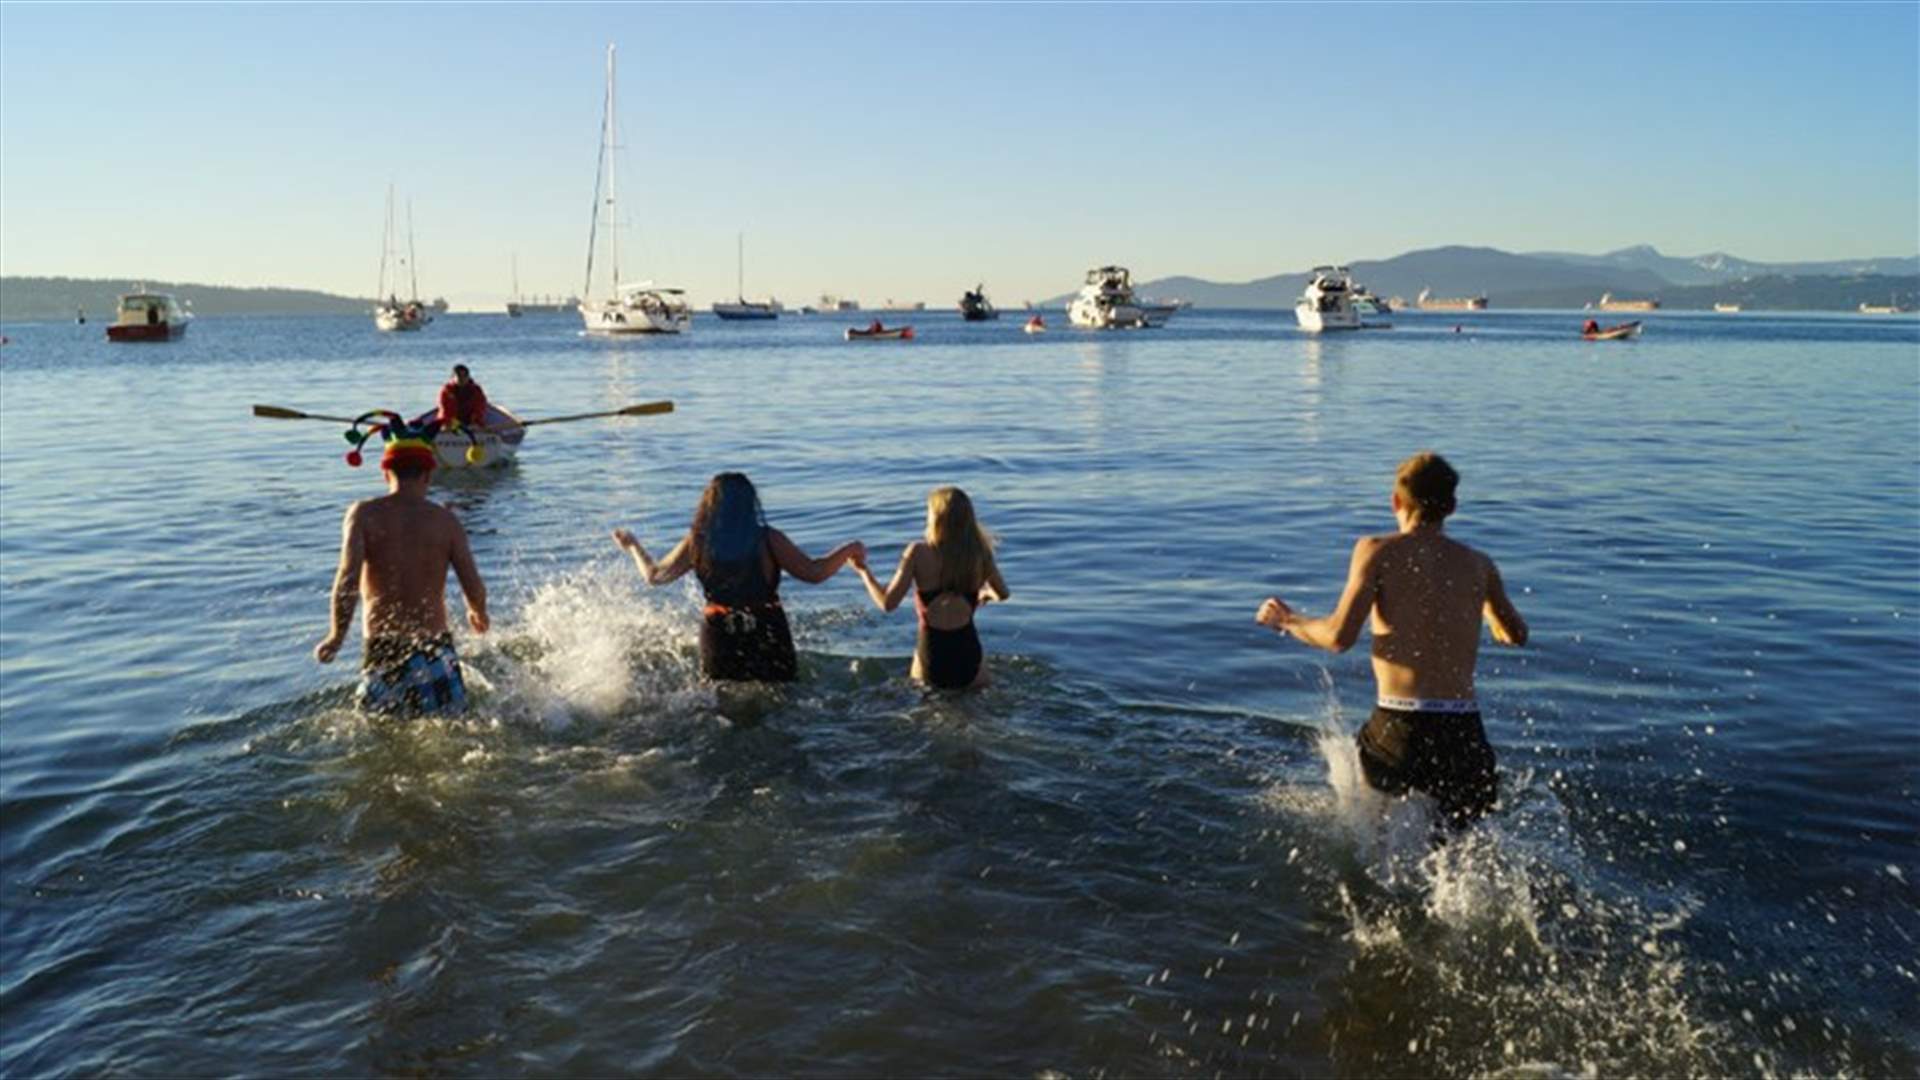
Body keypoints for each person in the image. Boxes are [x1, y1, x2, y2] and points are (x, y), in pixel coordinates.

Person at [1254, 452, 1528, 830]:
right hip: (1463, 732)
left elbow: (1338, 638)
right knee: (1462, 855)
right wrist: (1479, 606)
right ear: (1451, 506)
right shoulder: (1479, 564)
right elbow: (1516, 635)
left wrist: (1286, 620)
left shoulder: (1377, 550)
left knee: (1379, 845)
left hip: (1400, 729)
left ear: (1397, 502)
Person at [611, 473, 864, 682]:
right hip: (768, 631)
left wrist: (633, 545)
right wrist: (849, 549)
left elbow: (655, 576)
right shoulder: (768, 539)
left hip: (719, 632)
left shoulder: (697, 543)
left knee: (722, 700)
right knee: (782, 700)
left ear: (709, 506)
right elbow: (814, 573)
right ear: (750, 503)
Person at [315, 424, 490, 716]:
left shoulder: (362, 515)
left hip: (384, 648)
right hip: (434, 646)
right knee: (451, 726)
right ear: (428, 475)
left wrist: (336, 637)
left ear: (386, 473)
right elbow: (473, 584)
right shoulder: (446, 521)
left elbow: (347, 581)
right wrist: (478, 613)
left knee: (381, 730)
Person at [850, 486, 1010, 690]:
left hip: (931, 656)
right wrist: (986, 594)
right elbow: (1003, 593)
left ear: (936, 519)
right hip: (970, 655)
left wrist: (863, 572)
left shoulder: (917, 552)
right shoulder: (980, 553)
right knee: (974, 717)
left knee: (929, 714)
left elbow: (887, 603)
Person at [437, 364, 489, 429]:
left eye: (465, 376)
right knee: (446, 427)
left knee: (475, 427)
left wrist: (476, 420)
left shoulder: (476, 390)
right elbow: (444, 409)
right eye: (459, 376)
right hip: (452, 421)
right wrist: (448, 423)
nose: (462, 378)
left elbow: (480, 407)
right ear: (453, 377)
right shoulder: (447, 391)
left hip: (470, 421)